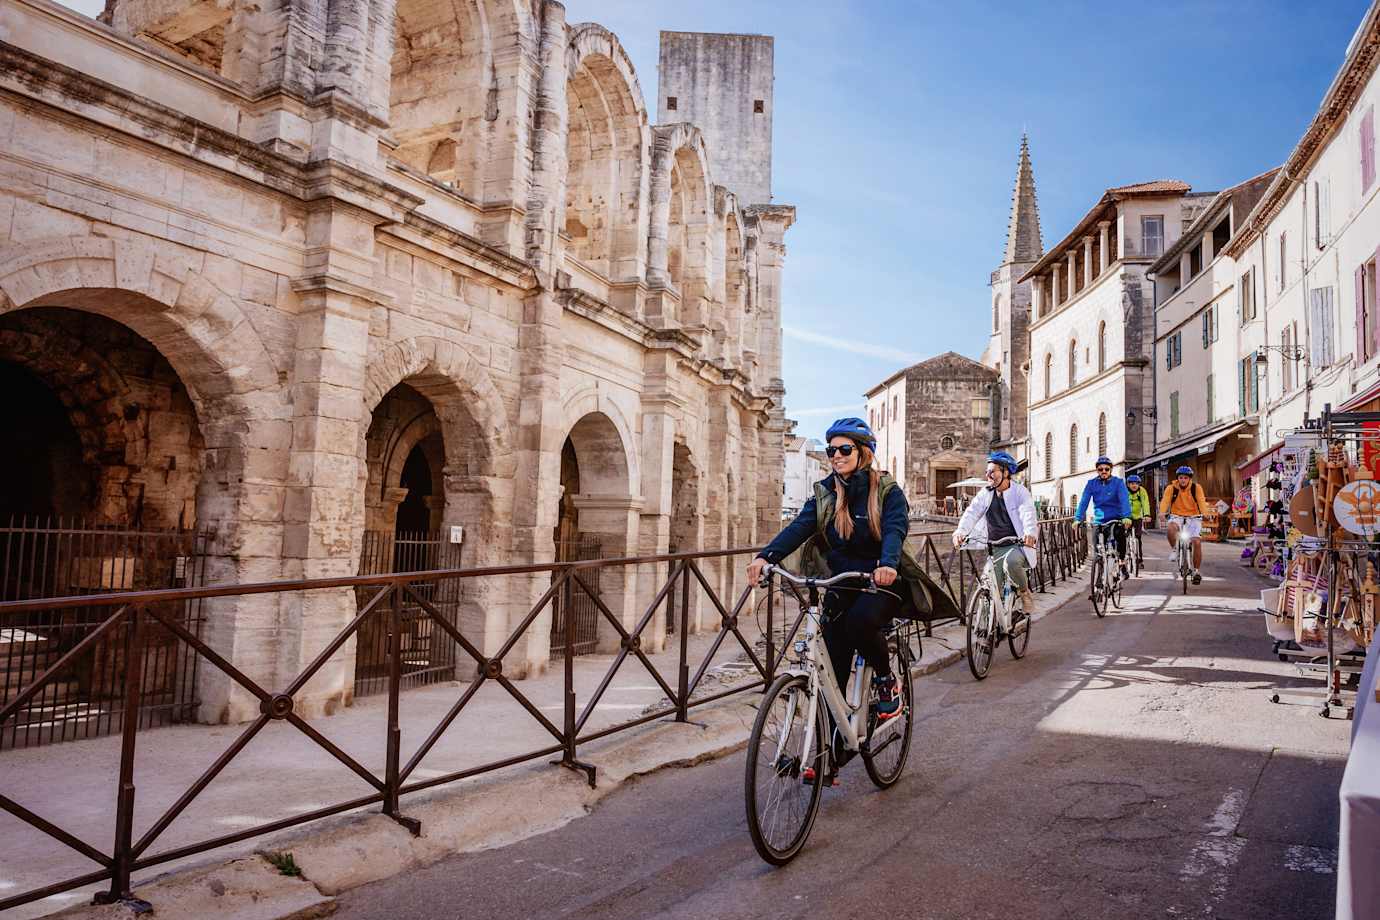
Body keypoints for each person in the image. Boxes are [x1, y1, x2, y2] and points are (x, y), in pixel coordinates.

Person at [747, 418, 908, 721]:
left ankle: (886, 680)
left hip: (880, 582)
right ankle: (832, 746)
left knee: (859, 623)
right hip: (841, 582)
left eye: (844, 449)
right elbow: (799, 528)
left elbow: (894, 530)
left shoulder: (887, 491)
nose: (836, 455)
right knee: (833, 667)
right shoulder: (826, 493)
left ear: (864, 452)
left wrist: (888, 564)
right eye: (831, 450)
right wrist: (765, 557)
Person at [951, 451, 1039, 614]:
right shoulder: (986, 493)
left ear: (1005, 473)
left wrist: (1030, 533)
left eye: (992, 471)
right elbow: (972, 512)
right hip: (994, 546)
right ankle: (985, 627)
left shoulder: (1020, 492)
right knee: (989, 588)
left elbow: (1028, 513)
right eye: (987, 471)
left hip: (1016, 545)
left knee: (1011, 563)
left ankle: (1025, 593)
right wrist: (960, 532)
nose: (988, 475)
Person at [1075, 456, 1132, 578]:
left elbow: (1124, 500)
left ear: (1111, 470)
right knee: (1098, 551)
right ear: (1097, 470)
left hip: (1116, 518)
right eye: (1100, 469)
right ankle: (1100, 577)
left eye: (1106, 469)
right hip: (1099, 521)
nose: (1104, 471)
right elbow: (1084, 501)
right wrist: (1078, 518)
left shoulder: (1118, 483)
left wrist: (1126, 516)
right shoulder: (1091, 484)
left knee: (1120, 537)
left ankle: (1122, 562)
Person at [1160, 464, 1208, 584]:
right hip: (1177, 516)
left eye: (1185, 478)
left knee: (1197, 542)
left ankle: (1196, 571)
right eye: (1181, 477)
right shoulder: (1171, 488)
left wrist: (1205, 513)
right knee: (1171, 528)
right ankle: (1175, 549)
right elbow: (1165, 501)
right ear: (1177, 478)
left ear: (1189, 479)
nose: (1183, 480)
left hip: (1194, 517)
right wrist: (1162, 513)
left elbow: (1201, 501)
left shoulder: (1196, 488)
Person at [1127, 474, 1151, 566]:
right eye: (1132, 483)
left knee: (1138, 537)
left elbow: (1145, 503)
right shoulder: (1125, 492)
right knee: (1124, 536)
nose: (1134, 485)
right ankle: (1125, 555)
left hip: (1138, 517)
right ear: (1128, 484)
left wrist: (1146, 514)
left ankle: (1140, 559)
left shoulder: (1142, 491)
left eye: (1136, 483)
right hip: (1126, 517)